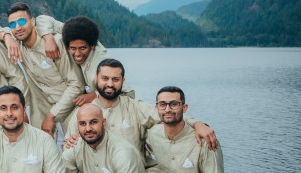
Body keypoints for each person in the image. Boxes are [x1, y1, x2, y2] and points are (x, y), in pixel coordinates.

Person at [65, 59, 217, 158]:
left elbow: (167, 115)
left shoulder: (136, 107)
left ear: (123, 81)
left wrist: (197, 124)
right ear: (96, 79)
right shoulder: (82, 113)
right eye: (105, 78)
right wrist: (69, 144)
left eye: (115, 79)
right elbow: (68, 146)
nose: (110, 84)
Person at [0, 2, 80, 136]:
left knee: (74, 146)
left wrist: (52, 116)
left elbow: (76, 85)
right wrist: (6, 37)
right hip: (41, 104)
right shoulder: (16, 41)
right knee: (38, 147)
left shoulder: (54, 42)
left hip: (70, 104)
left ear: (32, 21)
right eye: (12, 24)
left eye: (22, 21)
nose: (18, 27)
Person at [36, 14, 135, 104]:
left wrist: (94, 95)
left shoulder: (101, 64)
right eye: (73, 48)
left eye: (82, 48)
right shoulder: (71, 32)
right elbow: (42, 19)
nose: (78, 54)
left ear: (92, 46)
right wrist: (49, 38)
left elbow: (129, 93)